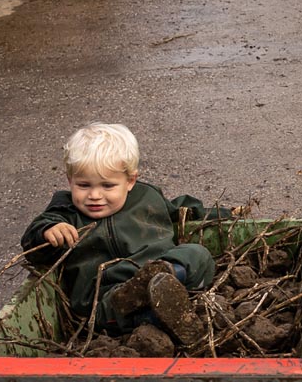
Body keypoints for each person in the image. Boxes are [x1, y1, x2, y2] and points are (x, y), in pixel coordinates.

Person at [22, 123, 235, 344]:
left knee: (197, 254)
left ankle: (165, 277)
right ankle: (159, 316)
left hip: (155, 265)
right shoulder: (65, 212)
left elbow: (182, 212)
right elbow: (33, 243)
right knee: (108, 311)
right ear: (69, 181)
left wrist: (224, 214)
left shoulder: (146, 197)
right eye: (83, 185)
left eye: (107, 186)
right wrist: (48, 231)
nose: (94, 195)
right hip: (106, 291)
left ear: (130, 181)